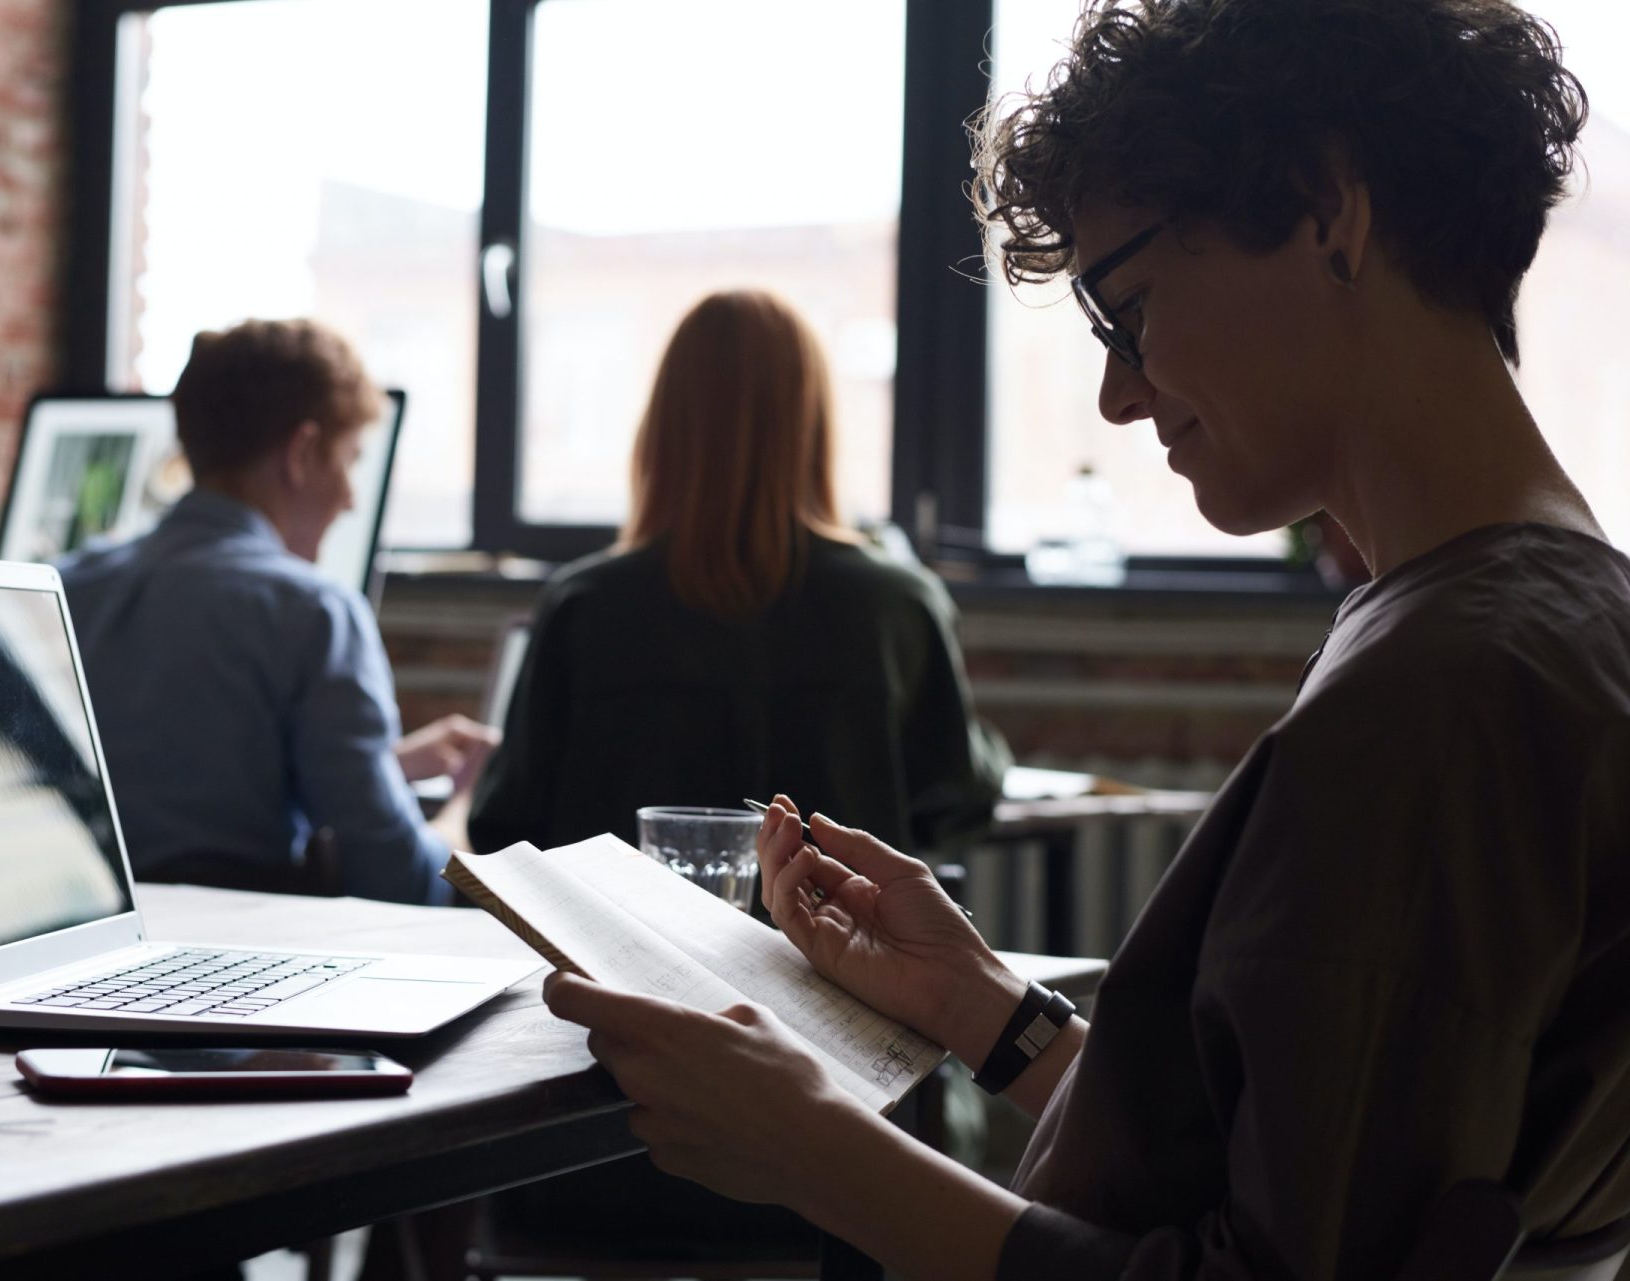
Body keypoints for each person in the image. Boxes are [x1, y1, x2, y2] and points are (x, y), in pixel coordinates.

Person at [541, 1, 1630, 1276]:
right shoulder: (1553, 621)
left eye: (1130, 309)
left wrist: (817, 1152)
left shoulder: (1447, 694)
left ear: (1331, 213)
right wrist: (979, 1006)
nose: (1118, 394)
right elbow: (1310, 1175)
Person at [468, 289, 1010, 855]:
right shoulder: (899, 603)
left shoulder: (584, 603)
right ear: (814, 426)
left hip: (621, 942)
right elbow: (956, 800)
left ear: (664, 425)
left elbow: (506, 823)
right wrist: (989, 752)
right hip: (830, 942)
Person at [62, 318, 492, 905]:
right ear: (303, 452)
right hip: (240, 954)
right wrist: (459, 817)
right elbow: (397, 881)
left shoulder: (68, 585)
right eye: (349, 459)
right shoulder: (314, 612)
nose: (350, 497)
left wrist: (382, 768)